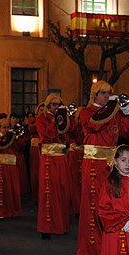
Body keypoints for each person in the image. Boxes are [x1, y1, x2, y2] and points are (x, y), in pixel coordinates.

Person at [77, 81, 129, 255]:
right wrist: (113, 107)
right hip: (93, 163)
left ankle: (112, 245)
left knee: (113, 204)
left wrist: (126, 114)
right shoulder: (86, 112)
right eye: (104, 93)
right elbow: (95, 125)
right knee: (94, 204)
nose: (108, 96)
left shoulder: (114, 113)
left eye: (110, 93)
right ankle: (94, 249)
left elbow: (127, 132)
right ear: (95, 94)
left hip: (111, 164)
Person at [36, 94, 76, 239]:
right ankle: (47, 227)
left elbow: (75, 132)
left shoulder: (63, 117)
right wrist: (56, 121)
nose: (56, 107)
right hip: (49, 158)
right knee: (49, 191)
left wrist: (69, 119)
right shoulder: (41, 118)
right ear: (48, 106)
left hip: (61, 157)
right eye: (53, 104)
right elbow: (46, 135)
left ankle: (62, 225)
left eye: (59, 104)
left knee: (63, 189)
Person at [0, 118, 22, 220]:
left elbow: (19, 148)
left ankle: (14, 211)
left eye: (8, 127)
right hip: (0, 167)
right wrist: (8, 138)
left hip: (11, 167)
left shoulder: (13, 138)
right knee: (1, 190)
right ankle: (1, 211)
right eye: (4, 127)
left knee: (12, 189)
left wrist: (16, 139)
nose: (6, 130)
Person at [8, 112, 30, 195]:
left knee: (20, 175)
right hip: (10, 154)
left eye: (16, 118)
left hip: (18, 153)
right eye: (13, 118)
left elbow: (24, 141)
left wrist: (18, 140)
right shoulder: (7, 128)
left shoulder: (20, 128)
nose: (14, 120)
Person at [28, 103, 45, 202]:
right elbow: (31, 129)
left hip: (44, 148)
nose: (42, 112)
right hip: (35, 149)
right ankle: (36, 196)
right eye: (41, 110)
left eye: (44, 110)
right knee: (35, 172)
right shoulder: (33, 121)